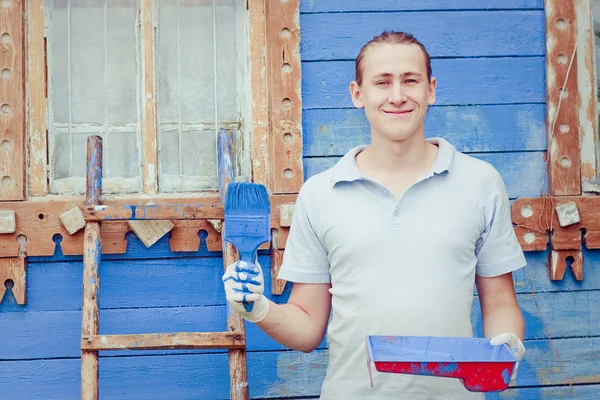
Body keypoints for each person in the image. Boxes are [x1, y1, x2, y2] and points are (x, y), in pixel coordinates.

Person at [223, 31, 526, 400]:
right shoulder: (320, 194)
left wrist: (506, 349)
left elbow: (500, 303)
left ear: (430, 89)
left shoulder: (480, 182)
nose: (397, 95)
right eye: (382, 82)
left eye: (410, 80)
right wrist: (258, 308)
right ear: (357, 94)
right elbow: (306, 329)